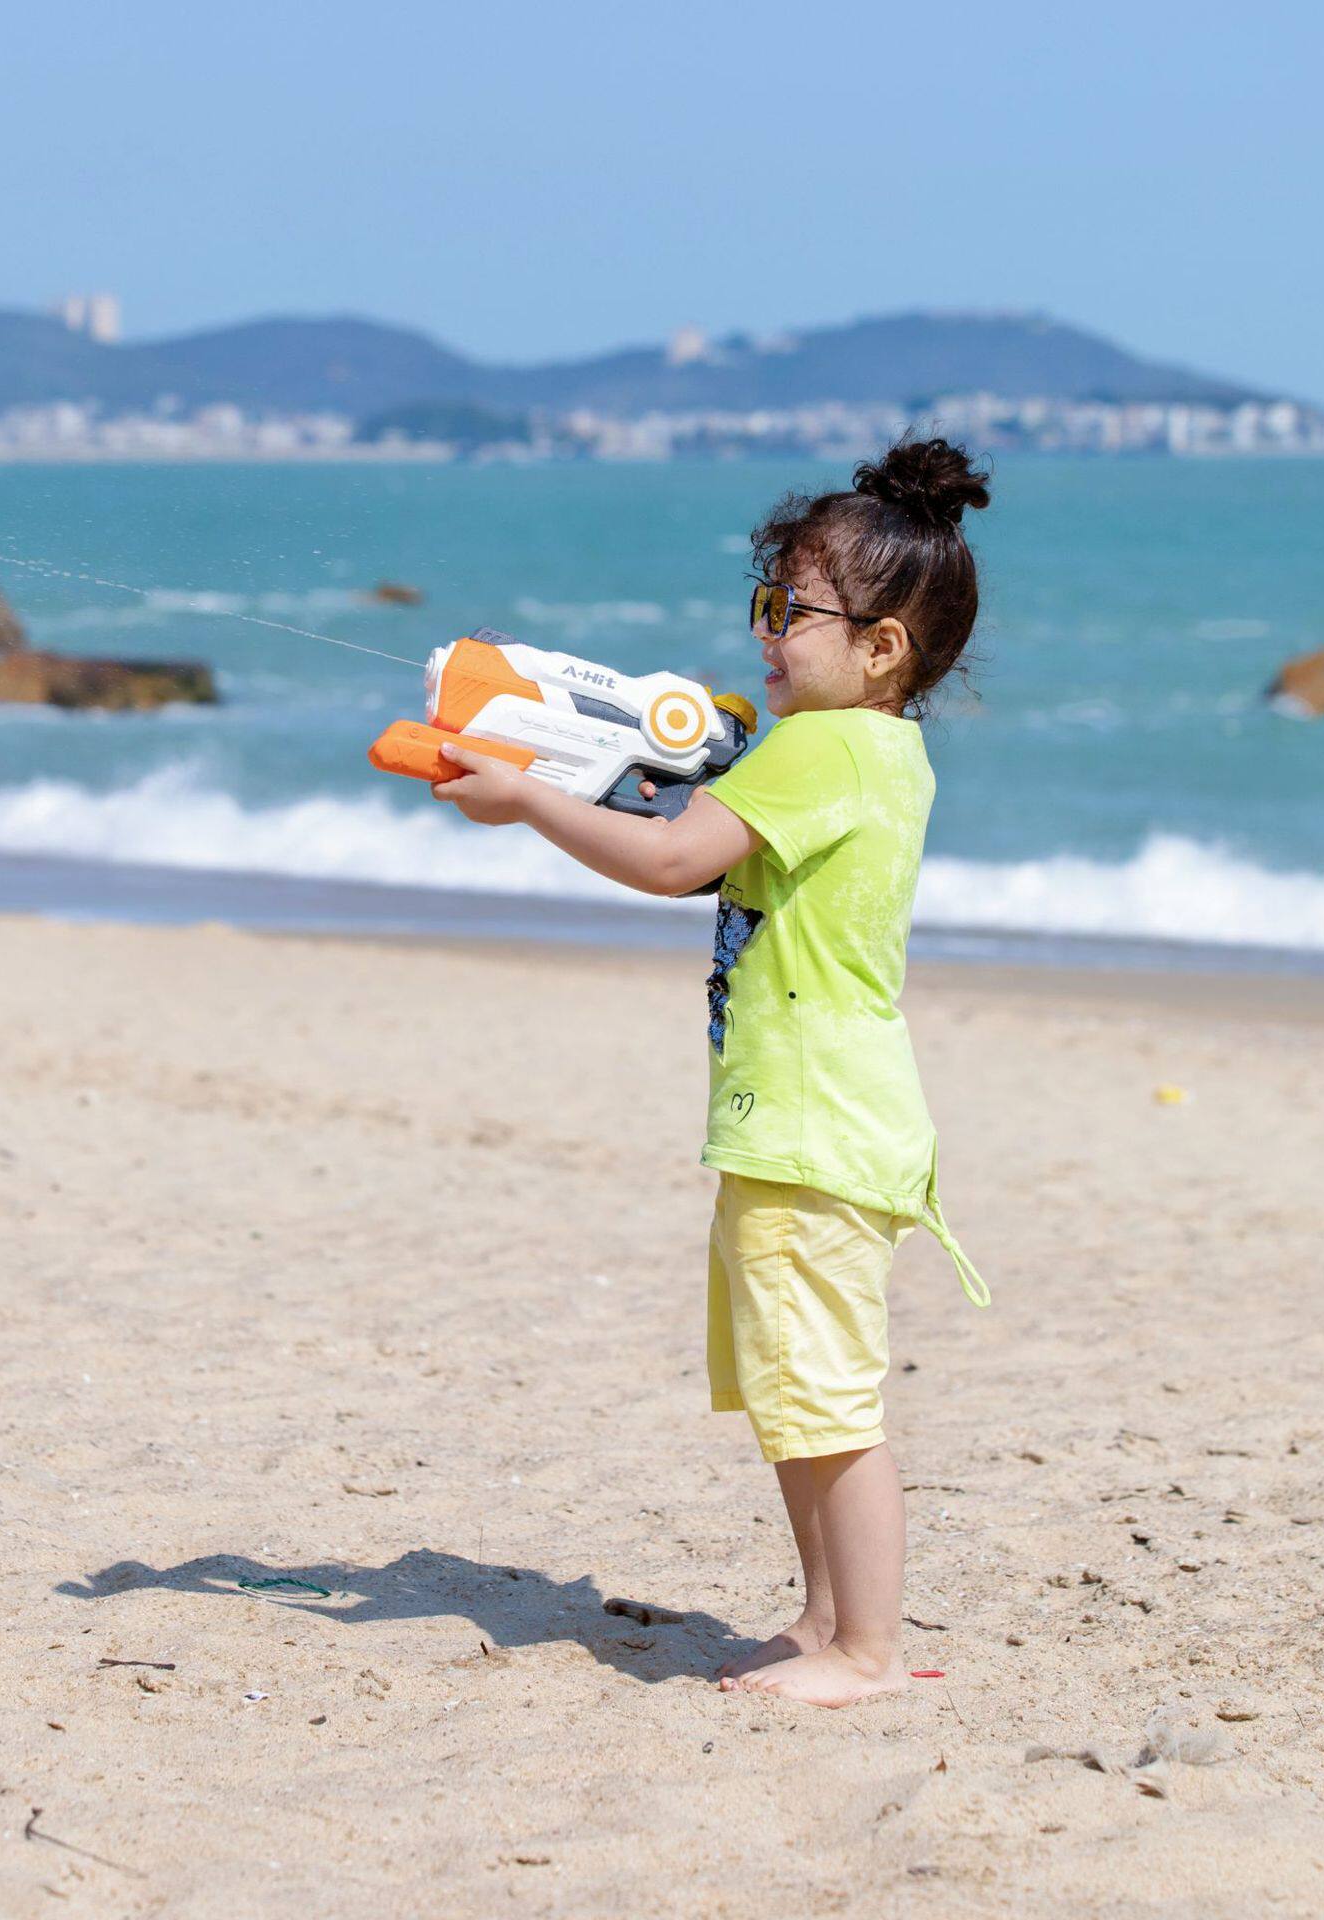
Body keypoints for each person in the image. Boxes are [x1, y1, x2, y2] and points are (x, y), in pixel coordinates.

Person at [431, 438, 991, 1707]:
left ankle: (868, 1650)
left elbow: (674, 861)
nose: (767, 633)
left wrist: (529, 801)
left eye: (794, 613)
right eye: (766, 602)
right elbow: (707, 841)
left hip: (810, 1127)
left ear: (882, 647)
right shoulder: (876, 752)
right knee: (795, 1393)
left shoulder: (818, 750)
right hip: (817, 1116)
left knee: (829, 1405)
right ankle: (824, 1619)